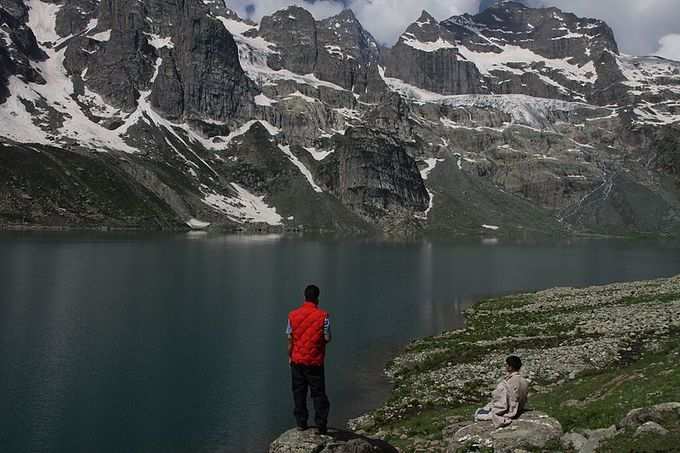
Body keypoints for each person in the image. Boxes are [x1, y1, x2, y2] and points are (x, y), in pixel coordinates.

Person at [286, 285, 331, 435]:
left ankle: (301, 423)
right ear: (317, 298)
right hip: (315, 361)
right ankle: (321, 425)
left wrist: (290, 356)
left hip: (297, 360)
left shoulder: (292, 315)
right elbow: (327, 337)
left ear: (304, 297)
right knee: (318, 393)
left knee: (299, 392)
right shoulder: (323, 316)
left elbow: (290, 338)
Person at [474, 355, 529, 427]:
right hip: (520, 408)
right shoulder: (524, 381)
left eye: (506, 365)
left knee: (479, 413)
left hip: (511, 410)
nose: (505, 366)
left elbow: (502, 403)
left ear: (510, 367)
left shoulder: (507, 383)